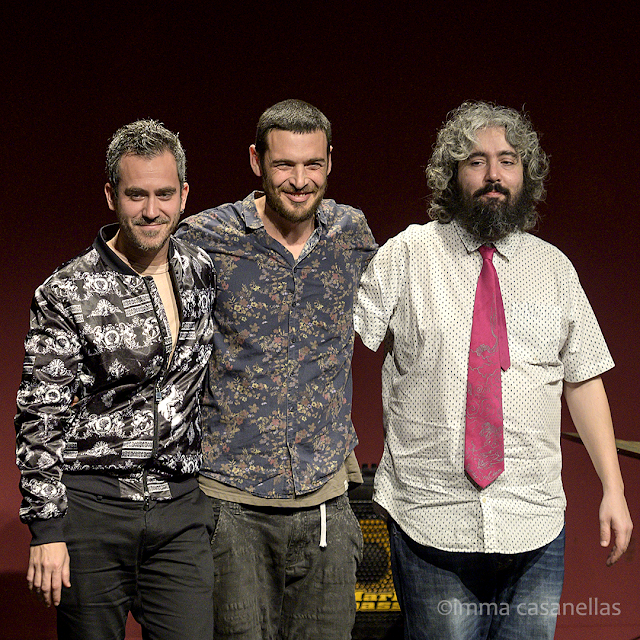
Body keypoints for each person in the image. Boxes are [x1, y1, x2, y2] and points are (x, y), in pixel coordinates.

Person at [354, 101, 633, 640]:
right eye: (476, 161)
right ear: (453, 174)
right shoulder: (409, 254)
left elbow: (583, 379)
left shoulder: (553, 268)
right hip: (430, 517)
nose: (493, 176)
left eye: (507, 161)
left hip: (534, 521)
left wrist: (613, 490)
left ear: (526, 174)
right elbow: (335, 344)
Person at [177, 98, 377, 640]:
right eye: (284, 164)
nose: (299, 179)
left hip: (326, 503)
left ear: (330, 162)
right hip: (232, 504)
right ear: (256, 161)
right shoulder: (206, 238)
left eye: (312, 164)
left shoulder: (350, 234)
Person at [15, 119, 216, 640]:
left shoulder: (200, 269)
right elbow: (40, 414)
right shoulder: (67, 291)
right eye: (136, 195)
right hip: (92, 512)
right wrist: (47, 530)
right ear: (111, 195)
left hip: (180, 511)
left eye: (165, 194)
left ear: (184, 194)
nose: (152, 211)